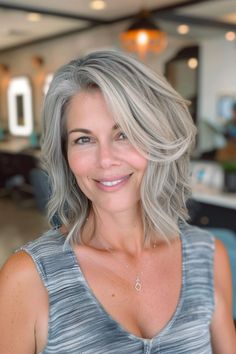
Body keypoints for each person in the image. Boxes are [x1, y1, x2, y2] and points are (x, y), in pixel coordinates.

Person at [0, 50, 235, 354]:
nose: (106, 159)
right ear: (65, 155)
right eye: (84, 139)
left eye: (123, 134)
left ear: (155, 139)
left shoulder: (208, 257)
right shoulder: (27, 278)